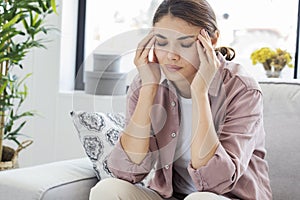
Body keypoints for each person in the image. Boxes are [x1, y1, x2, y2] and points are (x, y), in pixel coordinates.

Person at [89, 0, 272, 199]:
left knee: (201, 198)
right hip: (170, 195)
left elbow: (216, 181)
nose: (170, 56)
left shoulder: (242, 89)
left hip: (226, 197)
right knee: (107, 189)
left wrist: (200, 92)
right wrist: (148, 88)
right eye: (161, 42)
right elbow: (126, 171)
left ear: (211, 41)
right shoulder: (147, 81)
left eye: (185, 43)